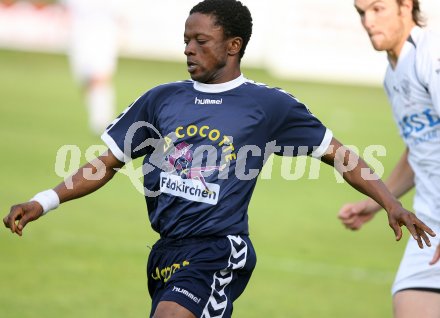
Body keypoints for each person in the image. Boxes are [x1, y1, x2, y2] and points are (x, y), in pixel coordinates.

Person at [3, 0, 436, 317]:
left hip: (217, 252)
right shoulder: (160, 100)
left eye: (200, 41)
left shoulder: (268, 105)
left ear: (233, 46)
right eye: (186, 40)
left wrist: (391, 204)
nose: (189, 49)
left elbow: (340, 155)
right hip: (164, 253)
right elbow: (106, 163)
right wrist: (43, 200)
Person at [338, 0, 440, 317]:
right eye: (361, 12)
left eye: (378, 9)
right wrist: (376, 202)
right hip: (428, 225)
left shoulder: (431, 55)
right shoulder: (392, 75)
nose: (368, 21)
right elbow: (419, 150)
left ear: (405, 6)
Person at [63, 0, 121, 135]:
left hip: (104, 33)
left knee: (99, 76)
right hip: (79, 35)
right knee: (85, 80)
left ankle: (103, 121)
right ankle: (99, 117)